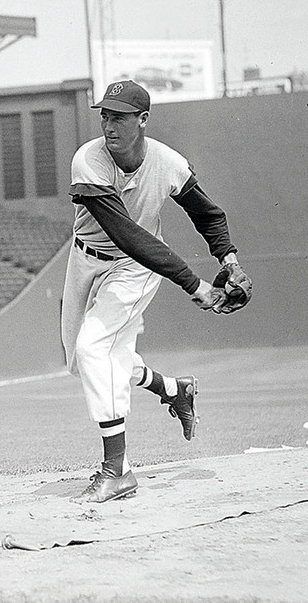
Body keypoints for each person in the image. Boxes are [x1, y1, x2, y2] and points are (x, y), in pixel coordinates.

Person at [62, 79, 250, 503]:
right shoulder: (88, 160)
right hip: (88, 259)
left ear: (143, 120)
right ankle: (171, 388)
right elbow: (125, 232)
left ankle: (117, 470)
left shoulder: (168, 163)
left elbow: (209, 215)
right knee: (85, 359)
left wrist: (230, 262)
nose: (108, 125)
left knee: (95, 349)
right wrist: (194, 284)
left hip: (136, 268)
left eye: (120, 117)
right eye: (105, 115)